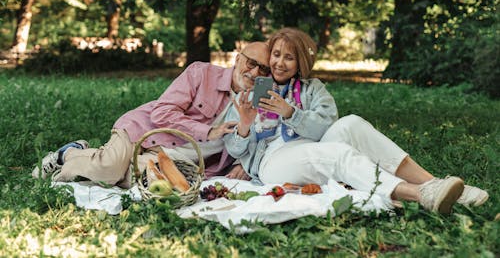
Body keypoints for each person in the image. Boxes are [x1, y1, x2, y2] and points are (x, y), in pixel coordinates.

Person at [223, 27, 488, 213]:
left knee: (351, 123)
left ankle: (434, 183)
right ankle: (420, 195)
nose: (280, 63)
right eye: (276, 55)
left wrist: (290, 112)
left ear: (301, 62)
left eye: (289, 57)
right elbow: (234, 149)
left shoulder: (312, 88)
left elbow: (326, 126)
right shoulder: (251, 93)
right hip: (274, 162)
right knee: (336, 153)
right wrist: (245, 125)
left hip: (311, 145)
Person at [32, 42, 271, 187]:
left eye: (264, 69)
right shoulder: (201, 73)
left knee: (140, 181)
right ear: (238, 58)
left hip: (175, 157)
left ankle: (98, 162)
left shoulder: (260, 99)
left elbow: (261, 136)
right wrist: (208, 131)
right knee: (108, 170)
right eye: (251, 63)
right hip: (143, 132)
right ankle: (69, 154)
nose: (255, 72)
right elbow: (162, 112)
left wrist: (242, 162)